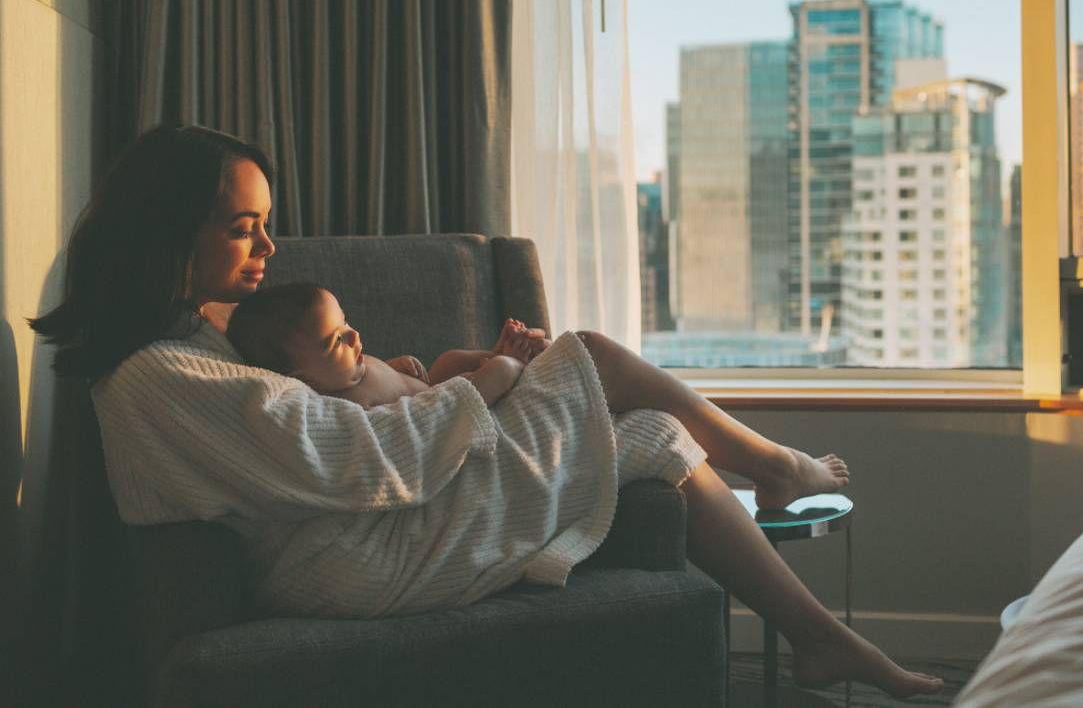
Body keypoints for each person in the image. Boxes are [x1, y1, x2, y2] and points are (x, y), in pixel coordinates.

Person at [32, 124, 942, 698]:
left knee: (658, 435)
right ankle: (777, 469)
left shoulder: (197, 335)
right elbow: (353, 460)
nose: (270, 245)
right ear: (168, 231)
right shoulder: (158, 378)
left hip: (363, 523)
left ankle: (817, 639)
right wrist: (491, 384)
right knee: (588, 354)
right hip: (354, 554)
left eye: (267, 223)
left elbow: (319, 430)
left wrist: (418, 379)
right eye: (244, 228)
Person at [225, 282, 533, 409]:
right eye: (337, 341)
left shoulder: (344, 370)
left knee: (450, 359)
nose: (353, 336)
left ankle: (494, 354)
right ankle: (507, 362)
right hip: (443, 406)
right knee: (499, 371)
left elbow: (381, 377)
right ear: (305, 381)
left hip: (429, 383)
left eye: (345, 323)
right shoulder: (342, 404)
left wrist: (394, 365)